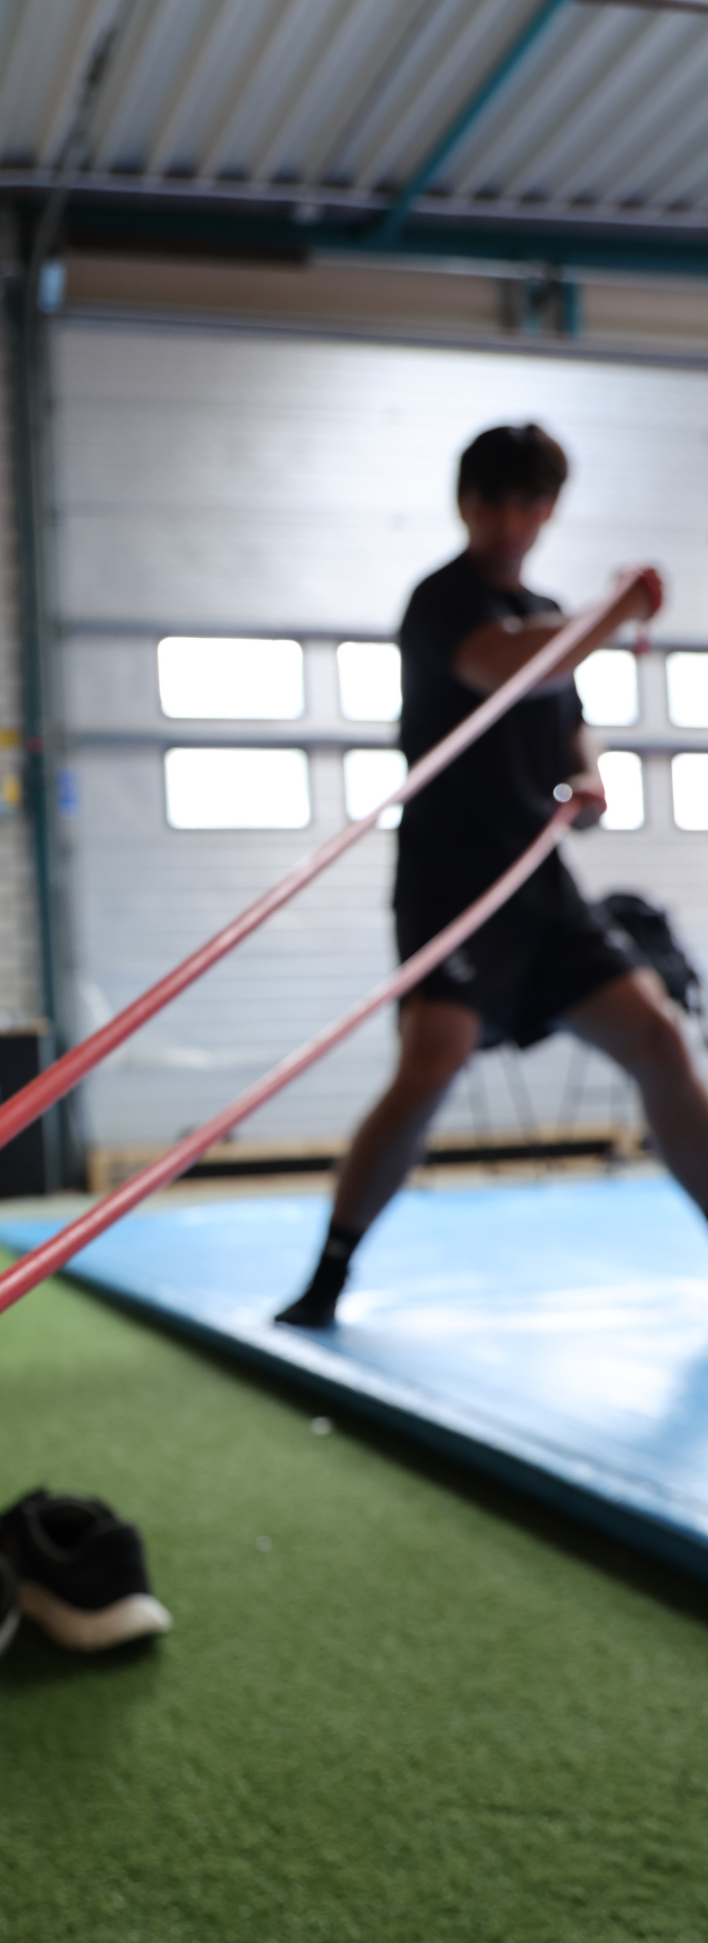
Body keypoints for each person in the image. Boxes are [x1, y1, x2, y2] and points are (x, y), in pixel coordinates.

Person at [277, 421, 708, 1331]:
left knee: (660, 1040)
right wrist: (614, 610)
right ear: (465, 505)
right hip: (454, 880)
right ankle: (329, 1273)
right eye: (493, 502)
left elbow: (567, 713)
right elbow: (512, 666)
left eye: (528, 503)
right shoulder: (443, 605)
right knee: (431, 1065)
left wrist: (586, 770)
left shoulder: (554, 614)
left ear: (547, 510)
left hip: (539, 882)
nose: (511, 521)